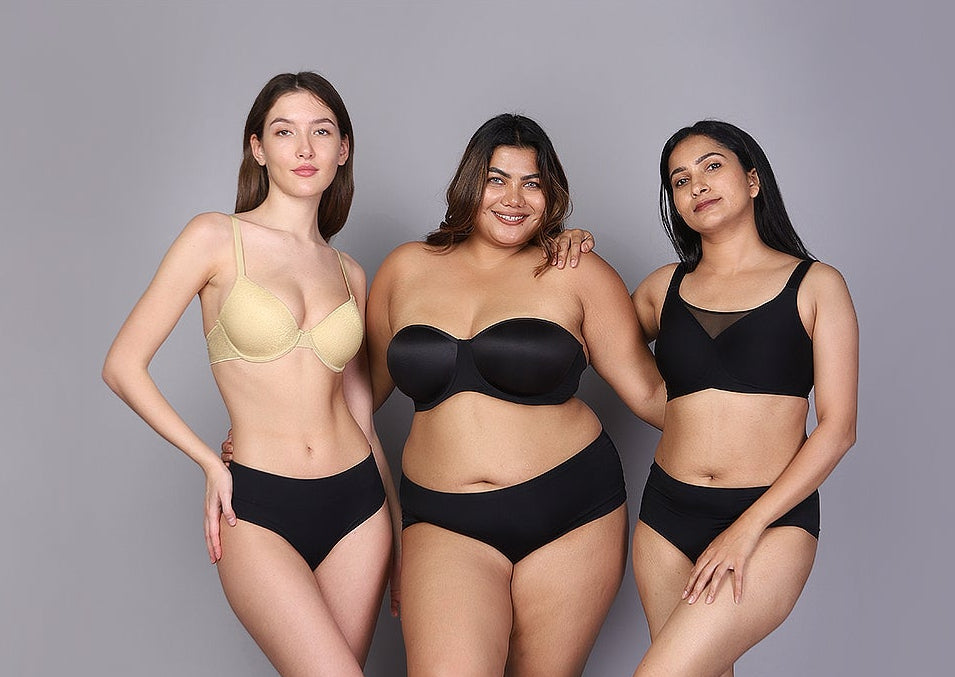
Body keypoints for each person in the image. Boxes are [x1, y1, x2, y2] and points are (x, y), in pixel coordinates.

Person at [102, 72, 402, 676]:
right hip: (259, 501)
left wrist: (399, 527)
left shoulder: (350, 272)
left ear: (343, 150)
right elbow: (122, 366)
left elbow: (362, 414)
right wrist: (210, 462)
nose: (305, 149)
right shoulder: (214, 238)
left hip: (360, 508)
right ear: (257, 148)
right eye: (284, 132)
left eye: (322, 132)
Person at [367, 114, 665, 676]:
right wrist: (271, 432)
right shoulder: (406, 269)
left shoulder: (576, 272)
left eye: (532, 182)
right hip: (442, 518)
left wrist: (753, 428)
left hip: (572, 511)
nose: (514, 198)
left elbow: (650, 393)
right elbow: (358, 397)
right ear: (469, 183)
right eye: (497, 179)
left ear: (551, 193)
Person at [630, 120, 858, 677]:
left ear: (752, 180)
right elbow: (583, 331)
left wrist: (747, 527)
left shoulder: (816, 284)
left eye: (712, 166)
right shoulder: (663, 289)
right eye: (679, 181)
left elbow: (838, 427)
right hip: (666, 517)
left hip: (770, 519)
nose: (697, 186)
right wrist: (568, 245)